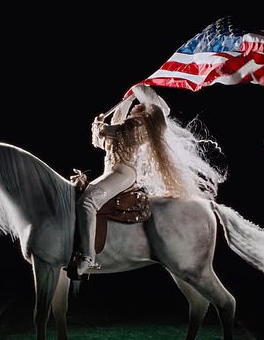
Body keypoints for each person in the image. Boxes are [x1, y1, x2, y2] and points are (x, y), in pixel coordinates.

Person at [70, 85, 228, 277]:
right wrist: (117, 108)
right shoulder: (126, 125)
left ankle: (87, 258)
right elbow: (101, 140)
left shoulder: (140, 128)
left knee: (88, 201)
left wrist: (100, 125)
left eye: (142, 104)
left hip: (123, 174)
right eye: (137, 103)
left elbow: (114, 131)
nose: (138, 105)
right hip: (111, 172)